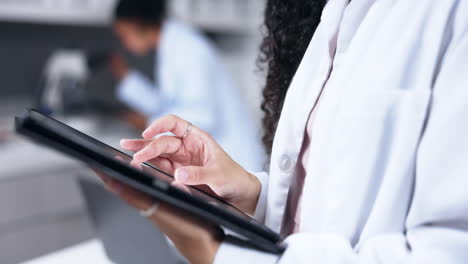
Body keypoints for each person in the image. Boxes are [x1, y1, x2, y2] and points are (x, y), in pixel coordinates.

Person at [97, 0, 468, 263]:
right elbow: (322, 199)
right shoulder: (333, 17)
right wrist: (254, 197)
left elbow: (448, 249)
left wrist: (213, 252)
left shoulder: (449, 14)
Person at [109, 0, 265, 171]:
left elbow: (203, 116)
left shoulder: (188, 47)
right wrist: (126, 78)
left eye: (124, 35)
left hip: (236, 158)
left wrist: (149, 123)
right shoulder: (171, 44)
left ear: (136, 24)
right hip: (220, 160)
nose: (124, 43)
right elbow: (167, 104)